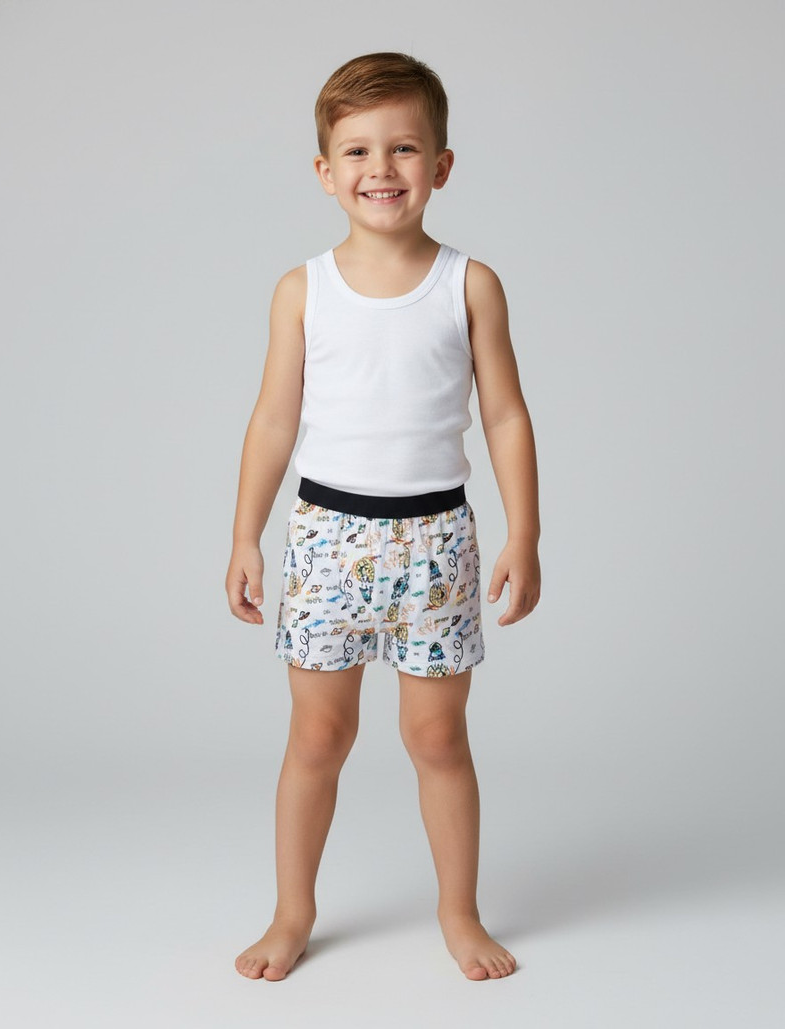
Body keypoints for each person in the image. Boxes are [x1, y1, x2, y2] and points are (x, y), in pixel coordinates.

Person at [225, 51, 541, 982]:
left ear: (441, 165)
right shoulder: (302, 290)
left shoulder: (469, 284)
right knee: (318, 737)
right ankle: (292, 912)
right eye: (358, 151)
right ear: (325, 172)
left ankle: (459, 911)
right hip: (327, 538)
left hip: (436, 541)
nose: (382, 168)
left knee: (438, 738)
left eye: (404, 148)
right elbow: (273, 420)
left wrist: (525, 532)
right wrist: (245, 534)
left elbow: (506, 416)